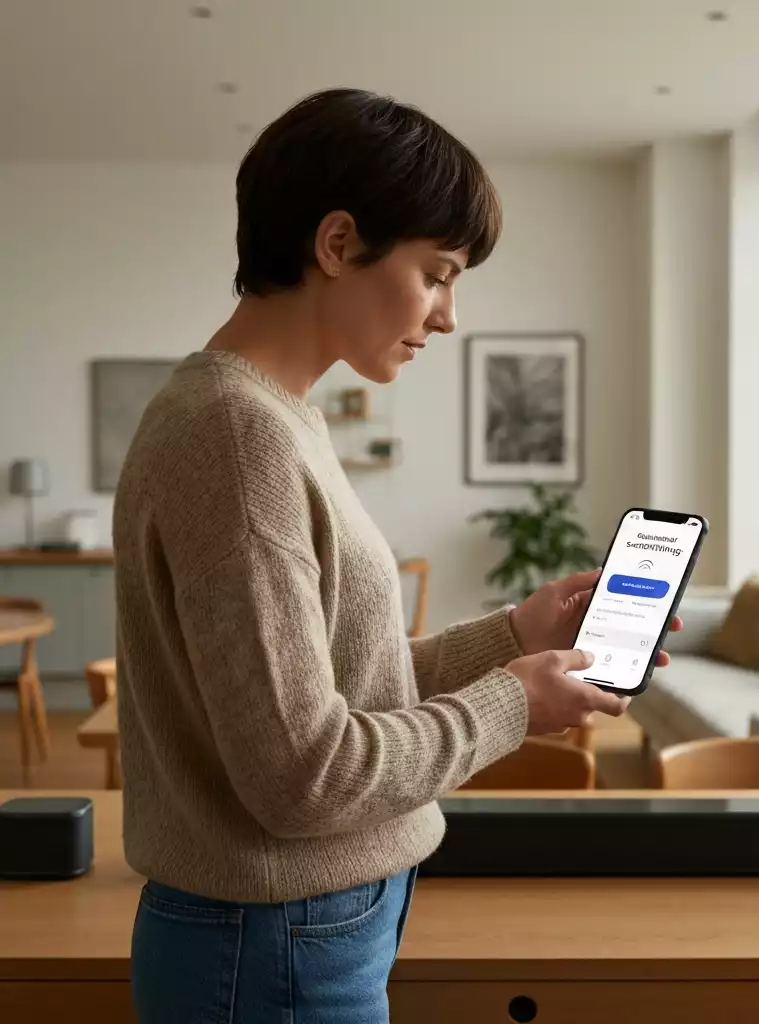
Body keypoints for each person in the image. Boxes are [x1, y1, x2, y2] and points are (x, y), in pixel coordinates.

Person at [114, 89, 682, 1023]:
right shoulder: (236, 435)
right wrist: (513, 704)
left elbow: (327, 688)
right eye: (438, 272)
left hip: (290, 932)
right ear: (337, 245)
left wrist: (512, 635)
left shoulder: (268, 419)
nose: (449, 315)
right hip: (274, 943)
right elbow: (307, 775)